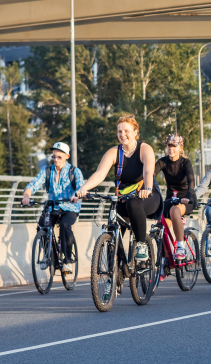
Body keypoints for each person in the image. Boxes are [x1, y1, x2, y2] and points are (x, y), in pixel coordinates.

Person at [77, 115, 162, 262]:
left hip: (147, 196)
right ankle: (115, 268)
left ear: (135, 132)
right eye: (119, 131)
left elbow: (148, 171)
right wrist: (83, 189)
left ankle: (141, 244)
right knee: (114, 224)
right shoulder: (114, 152)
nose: (122, 135)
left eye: (126, 131)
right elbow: (99, 174)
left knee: (133, 204)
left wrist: (147, 188)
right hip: (124, 196)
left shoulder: (144, 149)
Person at [22, 142, 85, 275]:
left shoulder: (74, 172)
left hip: (70, 207)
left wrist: (77, 195)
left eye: (59, 157)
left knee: (65, 224)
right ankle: (47, 255)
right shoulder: (47, 171)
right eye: (54, 157)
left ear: (67, 156)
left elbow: (81, 187)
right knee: (42, 225)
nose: (56, 160)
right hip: (52, 207)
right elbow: (33, 185)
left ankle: (68, 260)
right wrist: (26, 196)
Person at [153, 134, 197, 260]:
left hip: (186, 198)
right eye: (169, 146)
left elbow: (191, 182)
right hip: (171, 198)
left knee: (175, 211)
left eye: (174, 146)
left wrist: (188, 196)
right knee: (161, 227)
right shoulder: (163, 161)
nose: (171, 149)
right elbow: (151, 174)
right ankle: (165, 260)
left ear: (180, 147)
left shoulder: (185, 163)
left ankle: (180, 246)